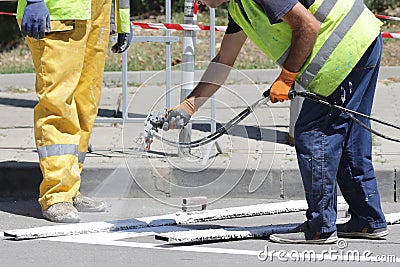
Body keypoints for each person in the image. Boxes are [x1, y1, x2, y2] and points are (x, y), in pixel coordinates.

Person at [163, 0, 388, 244]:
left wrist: (287, 77)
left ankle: (320, 227)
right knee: (350, 134)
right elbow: (224, 60)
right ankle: (367, 220)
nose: (198, 2)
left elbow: (307, 26)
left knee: (313, 133)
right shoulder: (239, 9)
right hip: (361, 41)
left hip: (345, 48)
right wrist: (189, 105)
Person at [16, 0, 132, 223]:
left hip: (97, 12)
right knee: (57, 104)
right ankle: (56, 195)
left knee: (85, 105)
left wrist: (122, 20)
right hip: (58, 12)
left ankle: (70, 188)